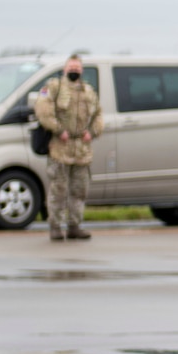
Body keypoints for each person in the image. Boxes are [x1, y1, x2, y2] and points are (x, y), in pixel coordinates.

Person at [32, 54, 103, 241]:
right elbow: (42, 110)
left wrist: (93, 132)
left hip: (81, 150)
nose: (74, 70)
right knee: (59, 189)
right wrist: (58, 129)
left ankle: (74, 226)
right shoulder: (54, 88)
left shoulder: (88, 91)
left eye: (77, 67)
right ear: (65, 69)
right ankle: (55, 226)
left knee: (79, 191)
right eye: (71, 67)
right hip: (60, 148)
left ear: (81, 70)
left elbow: (98, 115)